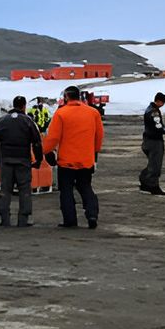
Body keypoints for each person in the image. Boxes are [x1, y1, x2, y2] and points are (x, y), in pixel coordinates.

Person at [42, 85, 105, 229]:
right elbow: (99, 135)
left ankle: (70, 220)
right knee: (85, 187)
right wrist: (94, 152)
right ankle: (92, 214)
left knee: (66, 191)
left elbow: (53, 137)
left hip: (66, 161)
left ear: (66, 97)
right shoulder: (93, 112)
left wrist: (44, 151)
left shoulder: (61, 114)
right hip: (86, 159)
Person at [0, 96, 44, 227]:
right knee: (24, 190)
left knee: (5, 190)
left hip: (6, 160)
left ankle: (4, 218)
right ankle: (23, 219)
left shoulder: (2, 121)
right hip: (23, 160)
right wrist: (38, 159)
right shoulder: (28, 121)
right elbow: (37, 142)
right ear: (24, 106)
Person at [139, 92, 165, 195]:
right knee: (155, 165)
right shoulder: (154, 112)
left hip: (148, 140)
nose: (163, 105)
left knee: (152, 163)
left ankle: (145, 182)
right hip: (154, 141)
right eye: (163, 102)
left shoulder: (149, 109)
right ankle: (153, 186)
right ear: (159, 101)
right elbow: (158, 127)